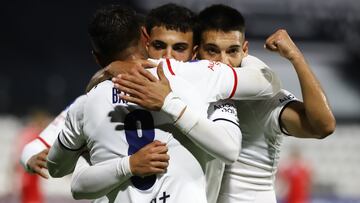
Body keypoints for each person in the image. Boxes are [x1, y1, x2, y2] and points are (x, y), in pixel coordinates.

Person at [47, 4, 281, 203]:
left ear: (97, 58)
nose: (168, 56)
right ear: (145, 39)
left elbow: (59, 171)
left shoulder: (87, 103)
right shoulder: (199, 76)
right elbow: (268, 82)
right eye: (161, 46)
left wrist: (103, 75)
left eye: (179, 48)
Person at [115, 4, 335, 203]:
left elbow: (323, 126)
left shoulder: (264, 99)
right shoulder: (185, 90)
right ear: (196, 51)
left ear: (245, 50)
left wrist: (296, 57)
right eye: (212, 50)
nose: (223, 61)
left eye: (232, 51)